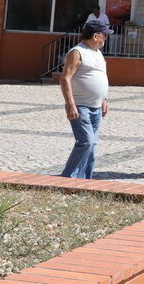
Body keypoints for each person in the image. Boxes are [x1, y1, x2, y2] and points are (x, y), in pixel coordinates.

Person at [59, 21, 111, 179]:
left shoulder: (97, 53)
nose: (106, 39)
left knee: (92, 146)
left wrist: (104, 99)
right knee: (86, 142)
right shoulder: (77, 52)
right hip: (80, 105)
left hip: (96, 106)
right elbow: (65, 78)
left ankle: (84, 180)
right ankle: (67, 178)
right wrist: (70, 104)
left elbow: (100, 77)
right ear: (96, 36)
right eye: (104, 35)